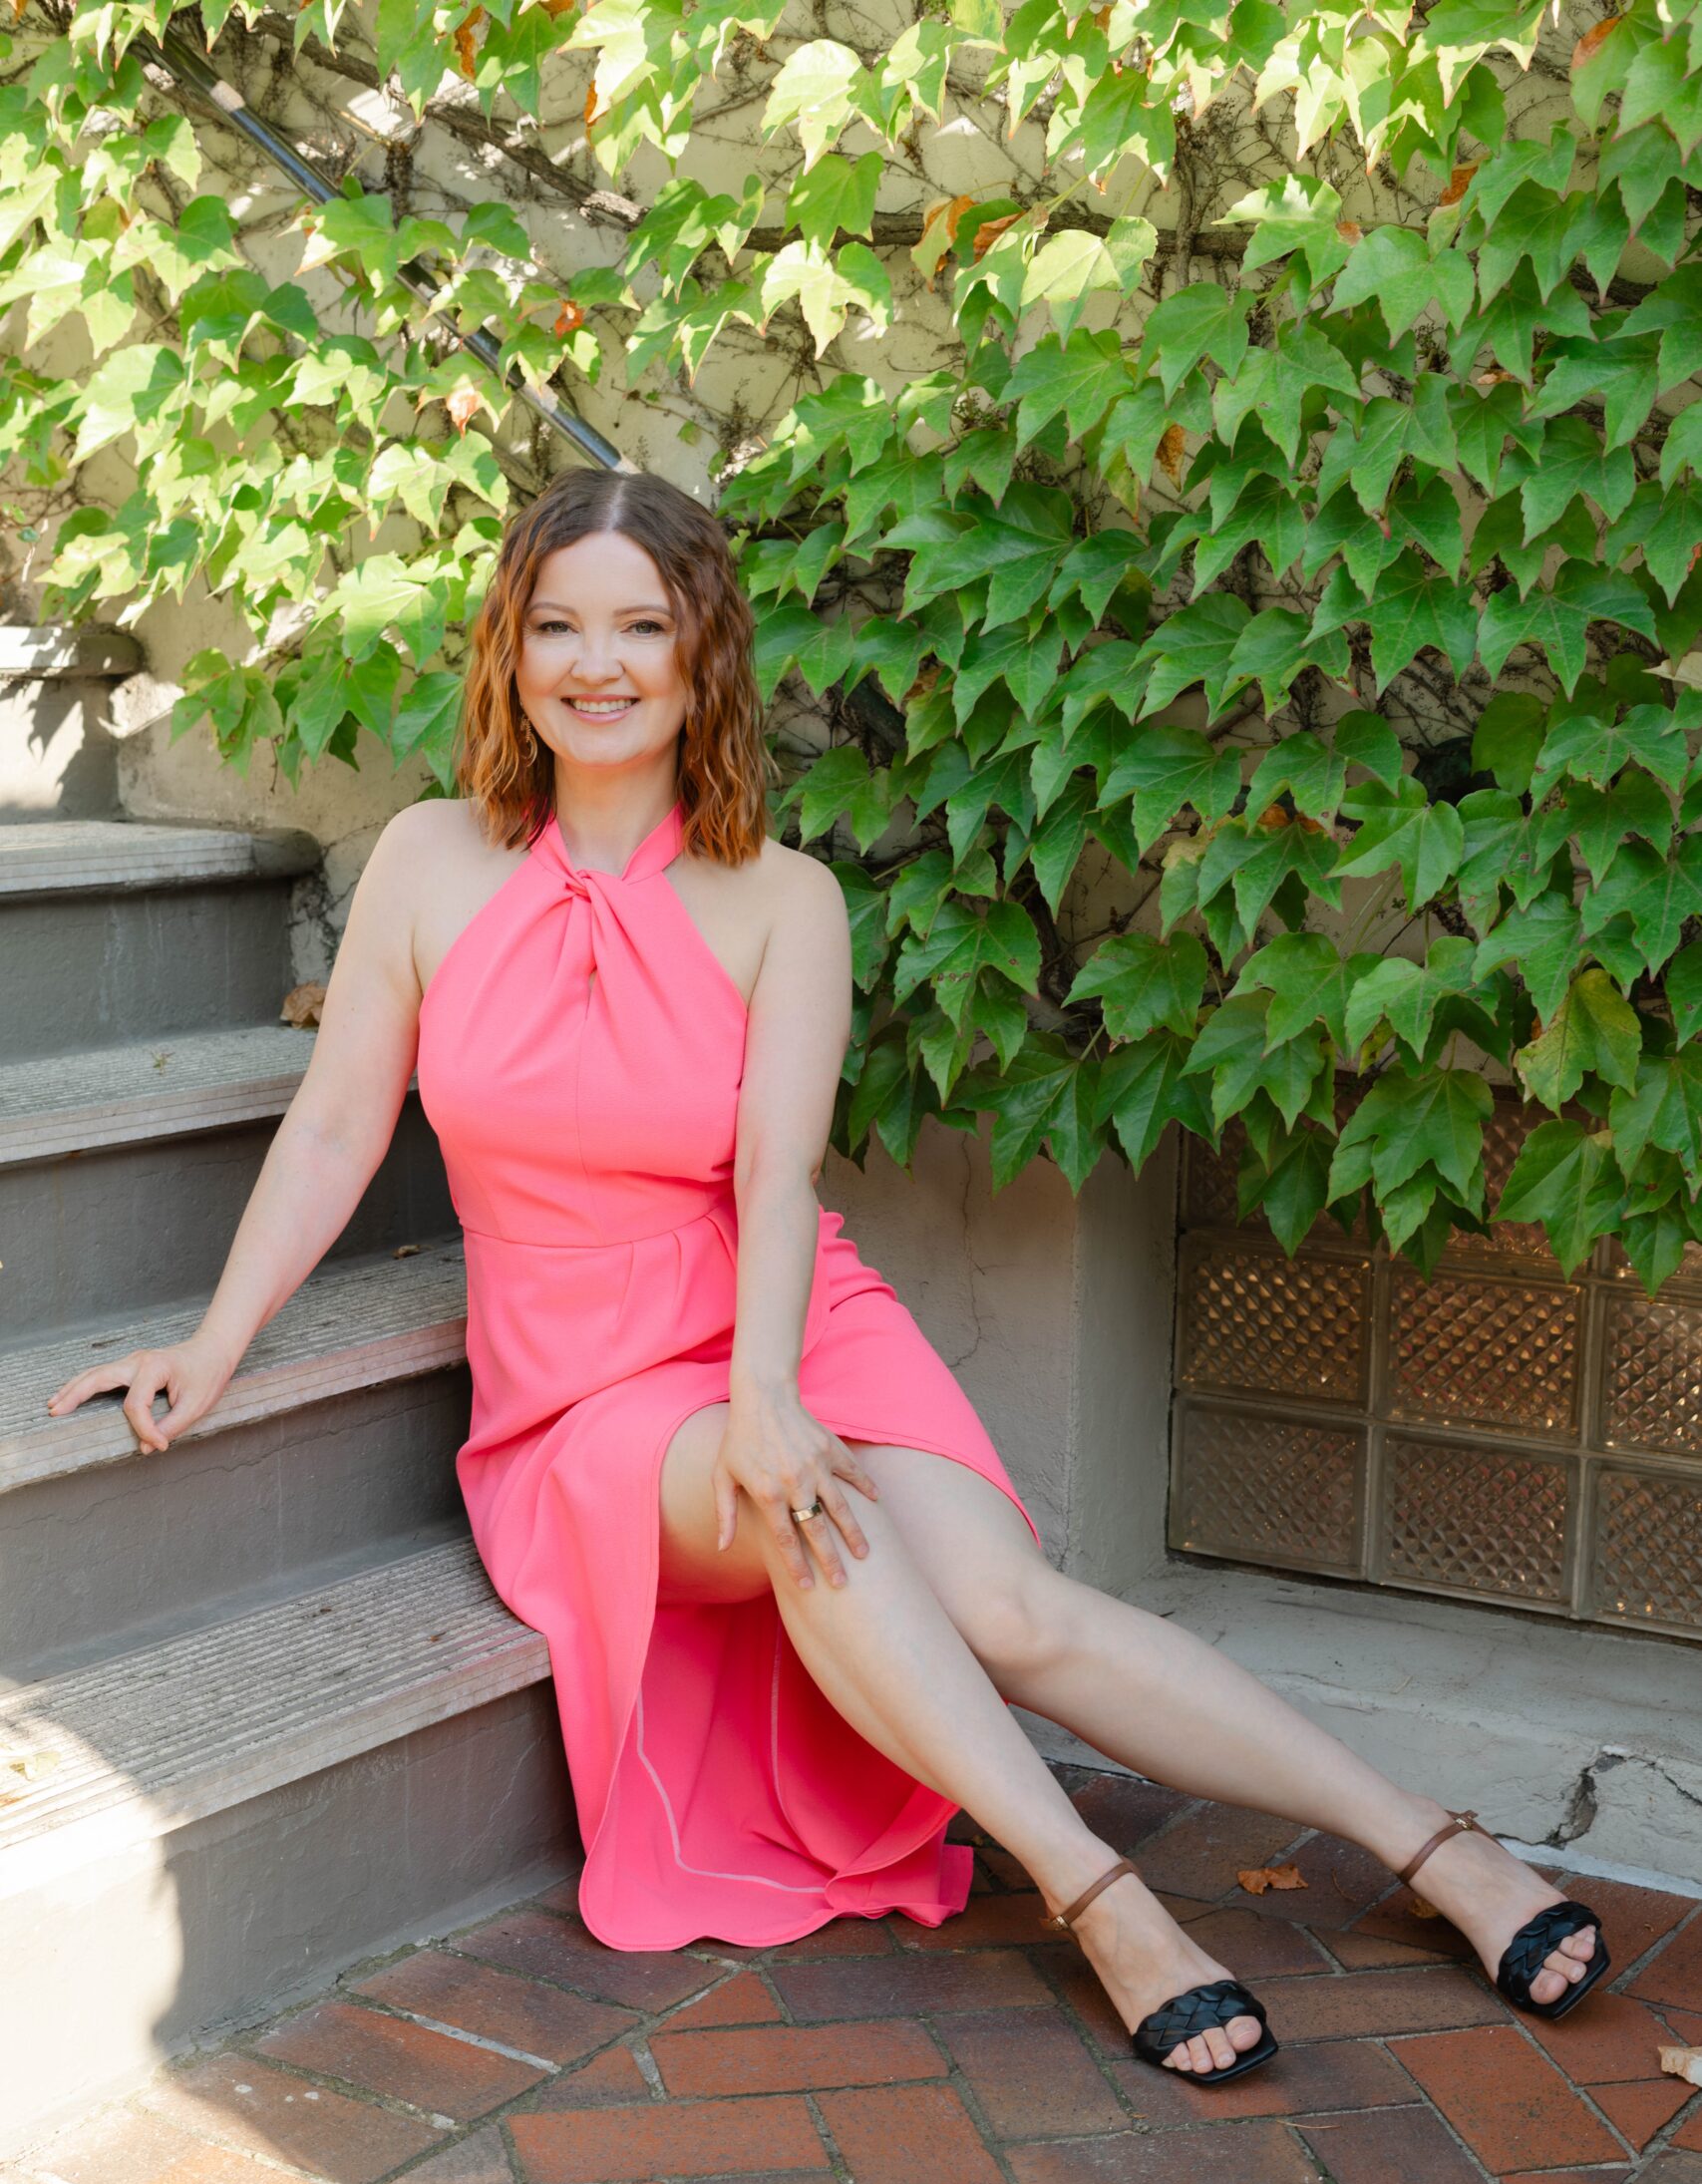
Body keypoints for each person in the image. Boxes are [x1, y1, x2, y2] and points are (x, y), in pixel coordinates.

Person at [47, 468, 1607, 2083]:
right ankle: (1099, 1891)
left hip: (781, 1316)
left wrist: (768, 1389)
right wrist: (213, 1344)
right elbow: (333, 1129)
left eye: (641, 627)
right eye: (559, 627)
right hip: (582, 1387)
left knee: (1006, 1605)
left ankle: (1431, 1844)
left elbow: (778, 1177)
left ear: (702, 652)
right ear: (511, 650)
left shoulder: (784, 899)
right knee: (798, 1510)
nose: (598, 665)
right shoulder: (428, 862)